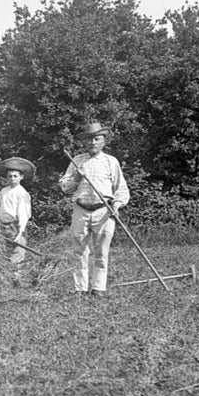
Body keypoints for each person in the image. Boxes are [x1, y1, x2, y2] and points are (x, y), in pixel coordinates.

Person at [59, 122, 130, 296]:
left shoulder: (110, 161)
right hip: (81, 210)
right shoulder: (76, 160)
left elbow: (121, 189)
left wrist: (117, 205)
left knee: (101, 251)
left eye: (97, 139)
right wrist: (76, 176)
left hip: (104, 211)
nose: (93, 143)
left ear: (103, 141)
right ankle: (80, 289)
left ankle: (98, 288)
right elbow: (65, 187)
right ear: (84, 142)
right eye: (89, 139)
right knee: (80, 251)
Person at [0, 156, 34, 278]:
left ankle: (16, 277)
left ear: (21, 177)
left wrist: (20, 232)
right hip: (3, 224)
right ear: (6, 178)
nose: (12, 179)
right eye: (10, 176)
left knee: (18, 250)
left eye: (15, 176)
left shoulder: (22, 193)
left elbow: (23, 214)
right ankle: (5, 275)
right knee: (5, 249)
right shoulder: (4, 191)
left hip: (16, 225)